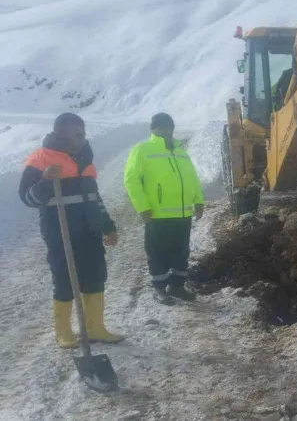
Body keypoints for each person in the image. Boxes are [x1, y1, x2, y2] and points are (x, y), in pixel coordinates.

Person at [19, 112, 124, 348]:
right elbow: (27, 198)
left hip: (89, 229)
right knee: (64, 278)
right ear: (60, 133)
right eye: (76, 133)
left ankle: (95, 327)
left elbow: (94, 197)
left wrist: (108, 225)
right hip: (59, 231)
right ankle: (64, 332)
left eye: (83, 133)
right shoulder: (41, 159)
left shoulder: (85, 160)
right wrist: (45, 182)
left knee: (95, 276)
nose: (82, 137)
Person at [123, 113, 204, 305]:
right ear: (153, 129)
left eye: (170, 127)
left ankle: (177, 286)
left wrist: (198, 200)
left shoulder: (180, 151)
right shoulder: (142, 150)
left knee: (181, 251)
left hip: (183, 213)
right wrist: (142, 207)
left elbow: (192, 177)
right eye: (162, 128)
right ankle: (159, 288)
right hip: (157, 214)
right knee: (158, 252)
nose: (167, 131)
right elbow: (131, 180)